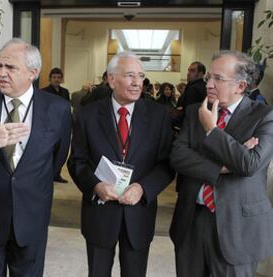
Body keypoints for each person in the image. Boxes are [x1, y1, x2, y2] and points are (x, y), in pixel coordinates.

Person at [0, 38, 72, 277]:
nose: (1, 73)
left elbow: (56, 159)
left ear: (33, 73)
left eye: (11, 68)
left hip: (32, 217)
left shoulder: (57, 109)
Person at [68, 51, 174, 277]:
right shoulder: (87, 115)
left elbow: (166, 165)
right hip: (100, 212)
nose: (138, 82)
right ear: (111, 79)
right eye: (130, 76)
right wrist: (96, 185)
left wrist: (142, 188)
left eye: (141, 76)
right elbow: (77, 161)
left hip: (139, 212)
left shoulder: (158, 116)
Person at [170, 50, 273, 277]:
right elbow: (178, 156)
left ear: (240, 87)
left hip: (237, 226)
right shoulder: (195, 111)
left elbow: (249, 164)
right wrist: (223, 168)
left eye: (219, 78)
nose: (209, 84)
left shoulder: (264, 116)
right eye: (209, 77)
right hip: (192, 219)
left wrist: (212, 130)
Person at [41, 67, 70, 183]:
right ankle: (47, 174)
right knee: (49, 151)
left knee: (61, 151)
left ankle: (56, 173)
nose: (56, 80)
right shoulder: (44, 92)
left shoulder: (65, 92)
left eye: (59, 77)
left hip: (63, 126)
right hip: (49, 126)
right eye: (54, 77)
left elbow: (67, 108)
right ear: (50, 79)